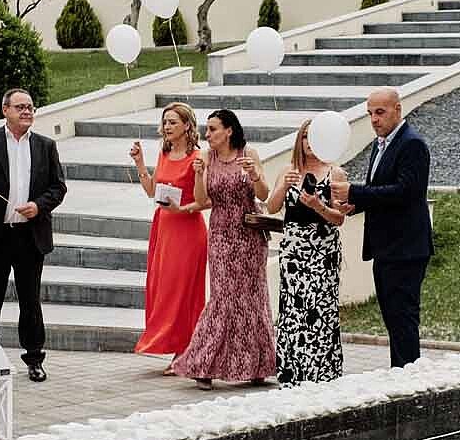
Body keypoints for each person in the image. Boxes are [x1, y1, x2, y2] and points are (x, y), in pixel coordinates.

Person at [0, 88, 68, 382]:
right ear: (5, 110)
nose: (27, 111)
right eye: (20, 107)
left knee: (30, 301)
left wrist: (38, 206)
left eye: (30, 107)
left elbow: (58, 188)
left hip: (30, 235)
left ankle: (34, 359)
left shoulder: (45, 145)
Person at [172, 109, 276, 389]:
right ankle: (203, 366)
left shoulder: (248, 153)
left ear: (229, 130)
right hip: (220, 235)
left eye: (213, 129)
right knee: (223, 299)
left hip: (249, 237)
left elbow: (264, 195)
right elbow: (202, 199)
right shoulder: (207, 158)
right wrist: (198, 175)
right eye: (207, 130)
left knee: (252, 301)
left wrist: (255, 175)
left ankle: (258, 367)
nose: (208, 135)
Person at [331, 87, 432, 367]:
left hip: (405, 248)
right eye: (370, 114)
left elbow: (405, 192)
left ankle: (408, 375)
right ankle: (400, 371)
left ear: (397, 110)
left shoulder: (412, 144)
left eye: (380, 112)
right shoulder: (382, 144)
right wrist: (356, 205)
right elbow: (381, 189)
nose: (374, 120)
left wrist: (355, 192)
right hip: (386, 247)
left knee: (402, 318)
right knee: (392, 317)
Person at [266, 120, 348, 386]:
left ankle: (321, 372)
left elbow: (339, 218)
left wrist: (316, 206)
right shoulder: (288, 170)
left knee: (320, 306)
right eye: (305, 138)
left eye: (315, 138)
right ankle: (292, 372)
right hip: (293, 249)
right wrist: (281, 187)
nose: (309, 144)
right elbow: (272, 207)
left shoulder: (335, 173)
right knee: (293, 307)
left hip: (322, 249)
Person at [130, 103, 208, 371]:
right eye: (165, 123)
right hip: (163, 228)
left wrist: (183, 205)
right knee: (163, 289)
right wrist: (140, 164)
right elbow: (153, 191)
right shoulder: (164, 154)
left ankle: (185, 352)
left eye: (172, 122)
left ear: (187, 125)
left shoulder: (199, 156)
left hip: (187, 229)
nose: (167, 127)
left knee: (183, 292)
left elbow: (204, 200)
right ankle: (176, 347)